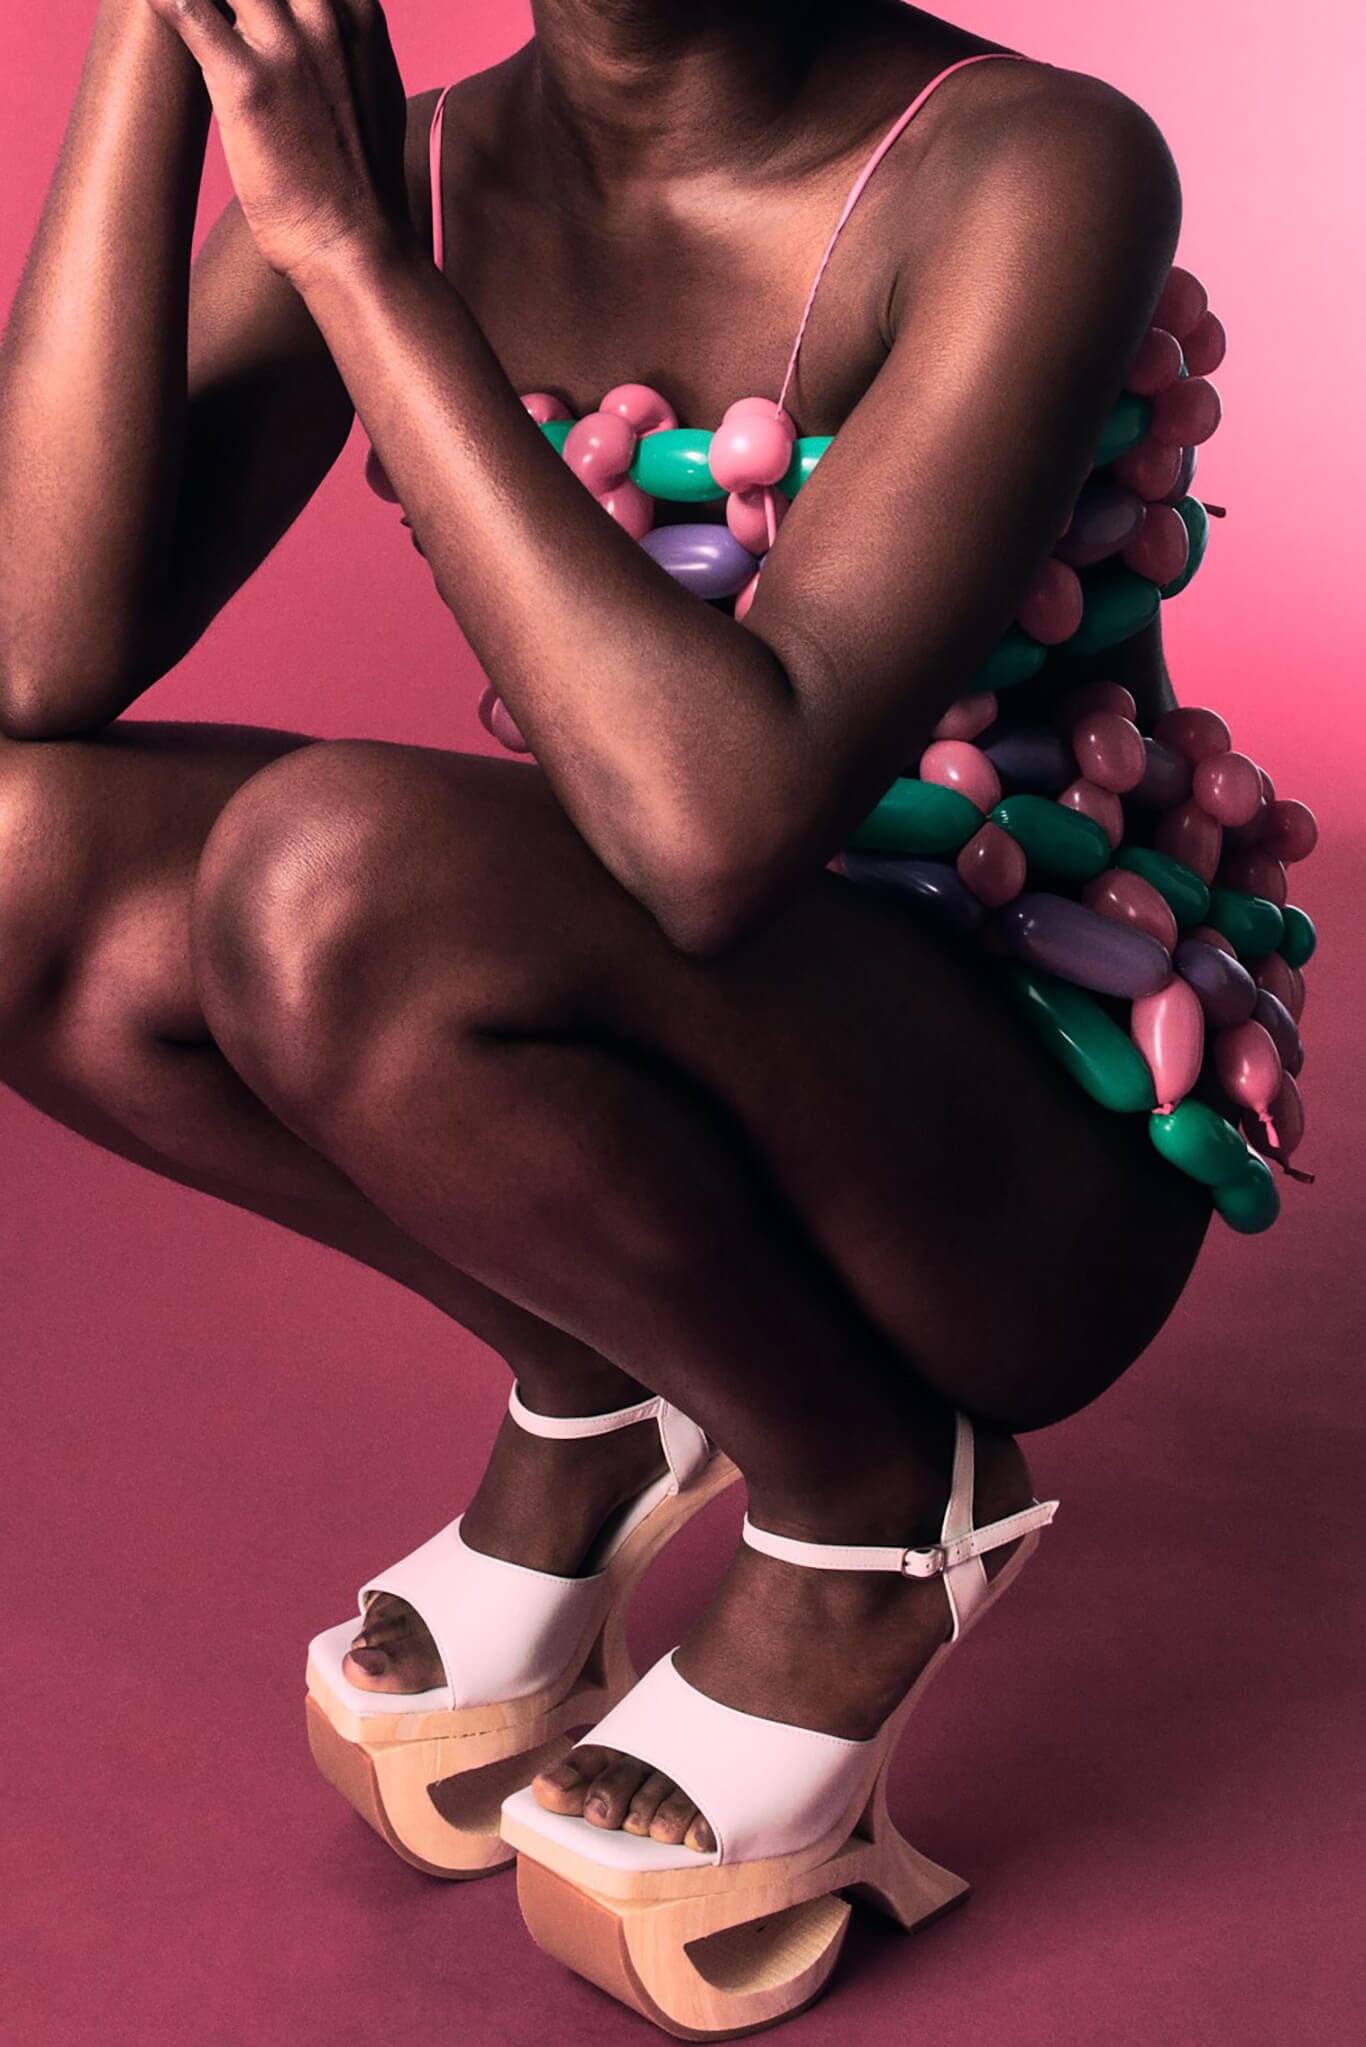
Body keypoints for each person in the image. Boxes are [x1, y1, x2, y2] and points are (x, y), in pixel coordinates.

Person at [3, 0, 1279, 2020]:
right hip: (664, 1031)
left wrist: (353, 267)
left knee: (327, 877)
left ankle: (872, 1498)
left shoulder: (1028, 163)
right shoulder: (411, 157)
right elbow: (27, 659)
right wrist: (150, 47)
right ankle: (607, 1376)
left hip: (1012, 1142)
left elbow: (712, 829)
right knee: (12, 863)